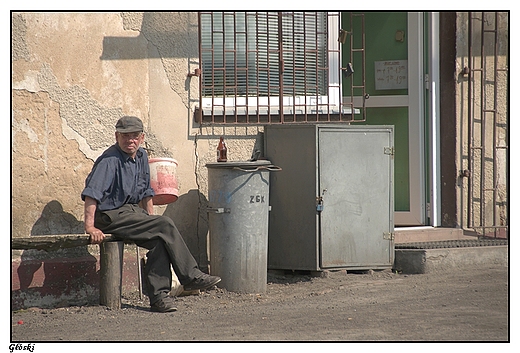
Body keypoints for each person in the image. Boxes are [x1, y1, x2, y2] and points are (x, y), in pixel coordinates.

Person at [81, 116, 221, 313]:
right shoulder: (109, 160)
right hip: (109, 215)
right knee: (164, 225)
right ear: (116, 137)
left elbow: (146, 192)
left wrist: (150, 221)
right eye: (125, 136)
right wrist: (90, 227)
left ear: (142, 138)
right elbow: (91, 194)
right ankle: (190, 276)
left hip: (130, 214)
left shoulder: (141, 157)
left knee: (159, 240)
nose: (130, 140)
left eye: (134, 136)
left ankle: (159, 299)